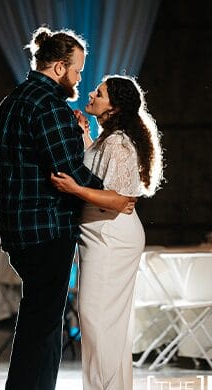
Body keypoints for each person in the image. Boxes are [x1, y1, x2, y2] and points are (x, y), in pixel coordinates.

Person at [0, 27, 134, 390]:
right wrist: (115, 196)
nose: (79, 79)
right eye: (77, 70)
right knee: (42, 326)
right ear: (59, 67)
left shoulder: (13, 100)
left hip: (18, 229)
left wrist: (77, 136)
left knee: (36, 319)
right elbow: (68, 171)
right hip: (47, 228)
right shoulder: (49, 105)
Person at [50, 75, 164, 390]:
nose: (91, 93)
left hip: (110, 236)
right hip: (101, 233)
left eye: (99, 93)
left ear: (113, 107)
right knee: (103, 321)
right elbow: (100, 174)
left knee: (96, 318)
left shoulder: (118, 142)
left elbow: (118, 198)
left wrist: (73, 189)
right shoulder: (107, 140)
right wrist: (84, 134)